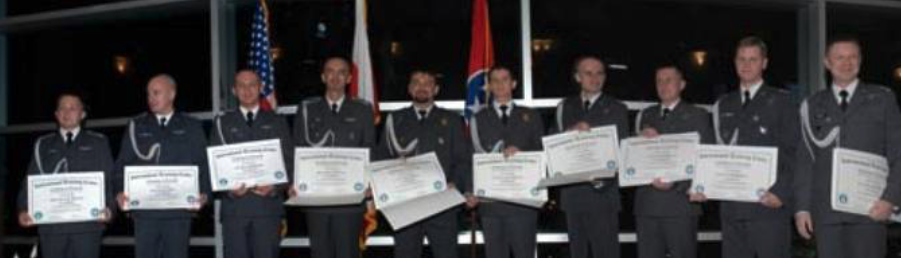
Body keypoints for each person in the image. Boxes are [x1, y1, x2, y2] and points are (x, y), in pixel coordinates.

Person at [794, 36, 901, 258]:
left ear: (860, 61)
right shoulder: (812, 105)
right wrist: (802, 208)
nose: (846, 62)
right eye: (839, 57)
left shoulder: (882, 99)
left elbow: (898, 153)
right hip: (826, 213)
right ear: (827, 62)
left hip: (870, 210)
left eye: (853, 57)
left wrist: (891, 198)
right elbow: (805, 161)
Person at [693, 36, 798, 258]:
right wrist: (702, 184)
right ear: (734, 62)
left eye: (753, 59)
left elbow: (795, 152)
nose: (746, 64)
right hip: (731, 207)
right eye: (741, 59)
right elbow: (714, 151)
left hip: (769, 205)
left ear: (764, 63)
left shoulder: (783, 101)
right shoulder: (723, 104)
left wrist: (781, 193)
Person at [376, 70, 471, 258]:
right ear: (410, 89)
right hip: (404, 206)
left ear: (435, 89)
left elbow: (462, 159)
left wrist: (456, 184)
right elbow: (381, 158)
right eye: (417, 82)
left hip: (443, 204)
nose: (422, 87)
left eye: (427, 83)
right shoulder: (394, 120)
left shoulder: (452, 120)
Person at [114, 74, 210, 258]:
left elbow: (203, 164)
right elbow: (121, 166)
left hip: (179, 214)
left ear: (172, 94)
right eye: (148, 94)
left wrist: (204, 194)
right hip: (145, 215)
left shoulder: (191, 126)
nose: (150, 98)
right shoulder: (136, 126)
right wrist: (119, 192)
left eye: (156, 93)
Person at [289, 57, 376, 258]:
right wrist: (295, 182)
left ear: (349, 78)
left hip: (350, 200)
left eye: (341, 72)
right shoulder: (307, 108)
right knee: (320, 253)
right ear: (323, 76)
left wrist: (371, 183)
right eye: (330, 71)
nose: (335, 76)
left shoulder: (363, 109)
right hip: (315, 200)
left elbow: (369, 150)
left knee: (348, 253)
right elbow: (297, 148)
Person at [17, 93, 114, 258]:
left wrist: (110, 210)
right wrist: (23, 210)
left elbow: (109, 181)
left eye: (72, 108)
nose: (66, 112)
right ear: (56, 114)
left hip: (87, 229)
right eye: (62, 108)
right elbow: (29, 181)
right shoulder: (42, 144)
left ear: (82, 114)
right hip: (52, 229)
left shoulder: (98, 142)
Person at [209, 70, 293, 258]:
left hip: (267, 210)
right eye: (241, 85)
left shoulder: (277, 121)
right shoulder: (222, 123)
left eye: (252, 84)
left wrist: (274, 186)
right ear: (234, 90)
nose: (247, 90)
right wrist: (229, 189)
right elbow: (214, 166)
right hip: (234, 211)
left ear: (261, 88)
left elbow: (289, 162)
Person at [632, 64, 713, 258]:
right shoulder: (644, 115)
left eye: (669, 80)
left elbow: (706, 159)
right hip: (647, 205)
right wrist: (638, 141)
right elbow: (631, 157)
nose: (663, 85)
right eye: (659, 80)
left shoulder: (698, 115)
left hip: (681, 205)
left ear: (682, 84)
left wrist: (676, 184)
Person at [553, 55, 628, 258]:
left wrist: (601, 180)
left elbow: (621, 151)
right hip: (572, 195)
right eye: (588, 73)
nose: (595, 78)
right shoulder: (564, 107)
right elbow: (552, 144)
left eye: (600, 73)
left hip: (603, 195)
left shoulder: (617, 108)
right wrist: (569, 132)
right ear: (577, 77)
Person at [468, 66, 544, 258]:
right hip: (490, 204)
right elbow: (470, 157)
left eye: (505, 79)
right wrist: (471, 191)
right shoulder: (478, 118)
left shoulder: (532, 116)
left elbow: (543, 154)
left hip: (523, 203)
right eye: (494, 80)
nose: (500, 84)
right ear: (488, 86)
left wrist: (522, 155)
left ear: (514, 84)